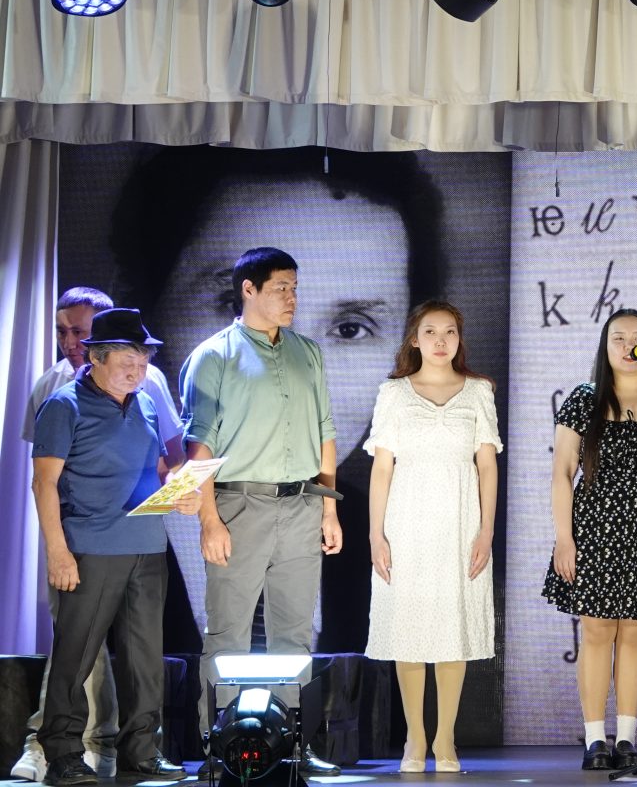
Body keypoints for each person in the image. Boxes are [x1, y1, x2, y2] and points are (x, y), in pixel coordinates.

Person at [111, 146, 452, 658]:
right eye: (234, 304)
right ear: (147, 314)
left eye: (351, 328)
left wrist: (328, 511)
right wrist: (210, 518)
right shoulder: (110, 533)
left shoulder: (389, 539)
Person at [180, 247, 342, 775]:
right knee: (227, 633)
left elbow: (325, 433)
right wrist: (209, 519)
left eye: (294, 288)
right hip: (238, 503)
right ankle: (218, 748)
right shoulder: (214, 356)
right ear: (248, 289)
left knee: (294, 633)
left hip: (302, 503)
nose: (292, 298)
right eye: (280, 288)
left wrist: (329, 511)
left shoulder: (307, 351)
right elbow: (199, 447)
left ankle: (292, 745)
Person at [13, 287, 182, 785]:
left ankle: (141, 751)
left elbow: (156, 469)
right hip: (91, 548)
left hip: (147, 547)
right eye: (128, 361)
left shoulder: (145, 403)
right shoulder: (63, 405)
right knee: (76, 657)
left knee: (144, 659)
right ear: (97, 358)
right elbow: (43, 483)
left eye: (143, 361)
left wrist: (180, 490)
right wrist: (57, 552)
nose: (138, 370)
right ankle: (63, 753)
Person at [542, 308, 637, 773]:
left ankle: (626, 739)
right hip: (594, 529)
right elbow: (562, 473)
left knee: (636, 634)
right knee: (596, 631)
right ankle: (594, 740)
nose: (629, 346)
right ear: (605, 348)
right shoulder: (585, 399)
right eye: (618, 338)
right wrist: (563, 538)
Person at [366, 301, 501, 773]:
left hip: (460, 524)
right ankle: (414, 739)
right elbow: (382, 469)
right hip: (406, 523)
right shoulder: (394, 393)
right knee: (408, 630)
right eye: (430, 331)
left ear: (459, 339)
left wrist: (486, 530)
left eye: (450, 332)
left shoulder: (479, 391)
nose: (441, 341)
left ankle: (445, 739)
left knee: (452, 630)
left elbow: (487, 466)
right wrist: (376, 535)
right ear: (414, 339)